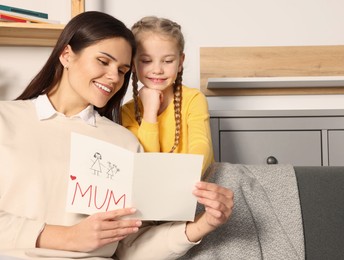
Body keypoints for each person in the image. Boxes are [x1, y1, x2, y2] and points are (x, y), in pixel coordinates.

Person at [0, 11, 233, 260]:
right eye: (103, 61)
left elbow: (130, 246)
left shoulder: (124, 141)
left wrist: (203, 224)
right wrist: (68, 237)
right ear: (67, 55)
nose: (114, 78)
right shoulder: (6, 118)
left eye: (122, 70)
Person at [121, 16, 214, 173]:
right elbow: (147, 162)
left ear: (180, 62)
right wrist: (150, 112)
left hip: (193, 184)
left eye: (168, 61)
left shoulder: (193, 100)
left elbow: (201, 145)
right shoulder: (127, 112)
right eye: (146, 61)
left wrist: (183, 179)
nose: (157, 69)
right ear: (133, 64)